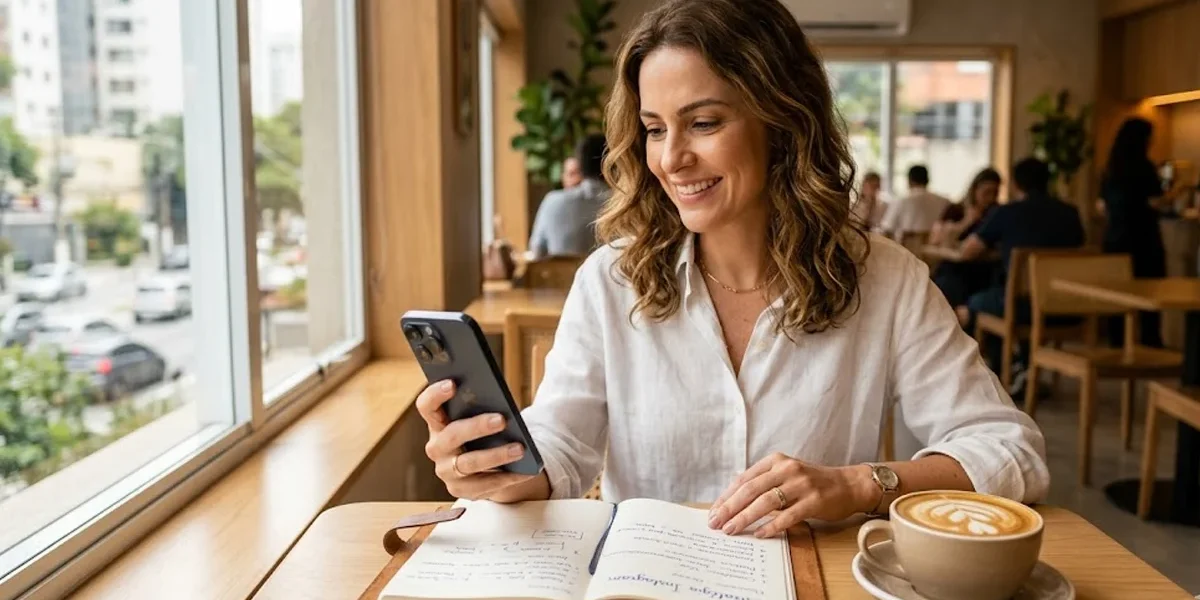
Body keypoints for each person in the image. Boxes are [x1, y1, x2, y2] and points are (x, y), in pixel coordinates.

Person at [416, 0, 1047, 538]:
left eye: (705, 123)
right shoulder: (612, 281)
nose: (672, 158)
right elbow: (564, 445)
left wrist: (860, 484)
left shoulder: (887, 280)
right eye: (655, 129)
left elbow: (1009, 450)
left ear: (784, 120)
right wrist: (502, 469)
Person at [956, 158, 1085, 386]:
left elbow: (967, 252)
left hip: (1021, 306)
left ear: (1015, 184)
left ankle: (998, 372)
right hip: (1068, 306)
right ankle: (1021, 366)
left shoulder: (1007, 212)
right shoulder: (1071, 213)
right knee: (995, 300)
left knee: (972, 305)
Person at [1099, 118, 1175, 348]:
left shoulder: (1110, 168)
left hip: (1115, 239)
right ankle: (1150, 344)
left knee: (1118, 297)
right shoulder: (1144, 167)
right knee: (1150, 295)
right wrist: (1178, 191)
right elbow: (1155, 202)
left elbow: (1101, 206)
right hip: (1144, 240)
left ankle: (1118, 344)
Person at [527, 134, 611, 259]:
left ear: (580, 166)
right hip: (608, 278)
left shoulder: (552, 201)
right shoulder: (624, 204)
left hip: (560, 278)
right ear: (612, 163)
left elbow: (537, 251)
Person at [931, 168, 1003, 310]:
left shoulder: (996, 213)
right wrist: (966, 222)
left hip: (985, 269)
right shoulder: (956, 209)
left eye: (995, 193)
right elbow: (936, 240)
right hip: (956, 268)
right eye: (986, 193)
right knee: (949, 285)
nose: (991, 198)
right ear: (974, 190)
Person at [878, 165, 951, 240]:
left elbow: (887, 229)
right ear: (927, 180)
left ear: (909, 181)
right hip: (935, 249)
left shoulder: (901, 200)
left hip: (906, 249)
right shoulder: (945, 201)